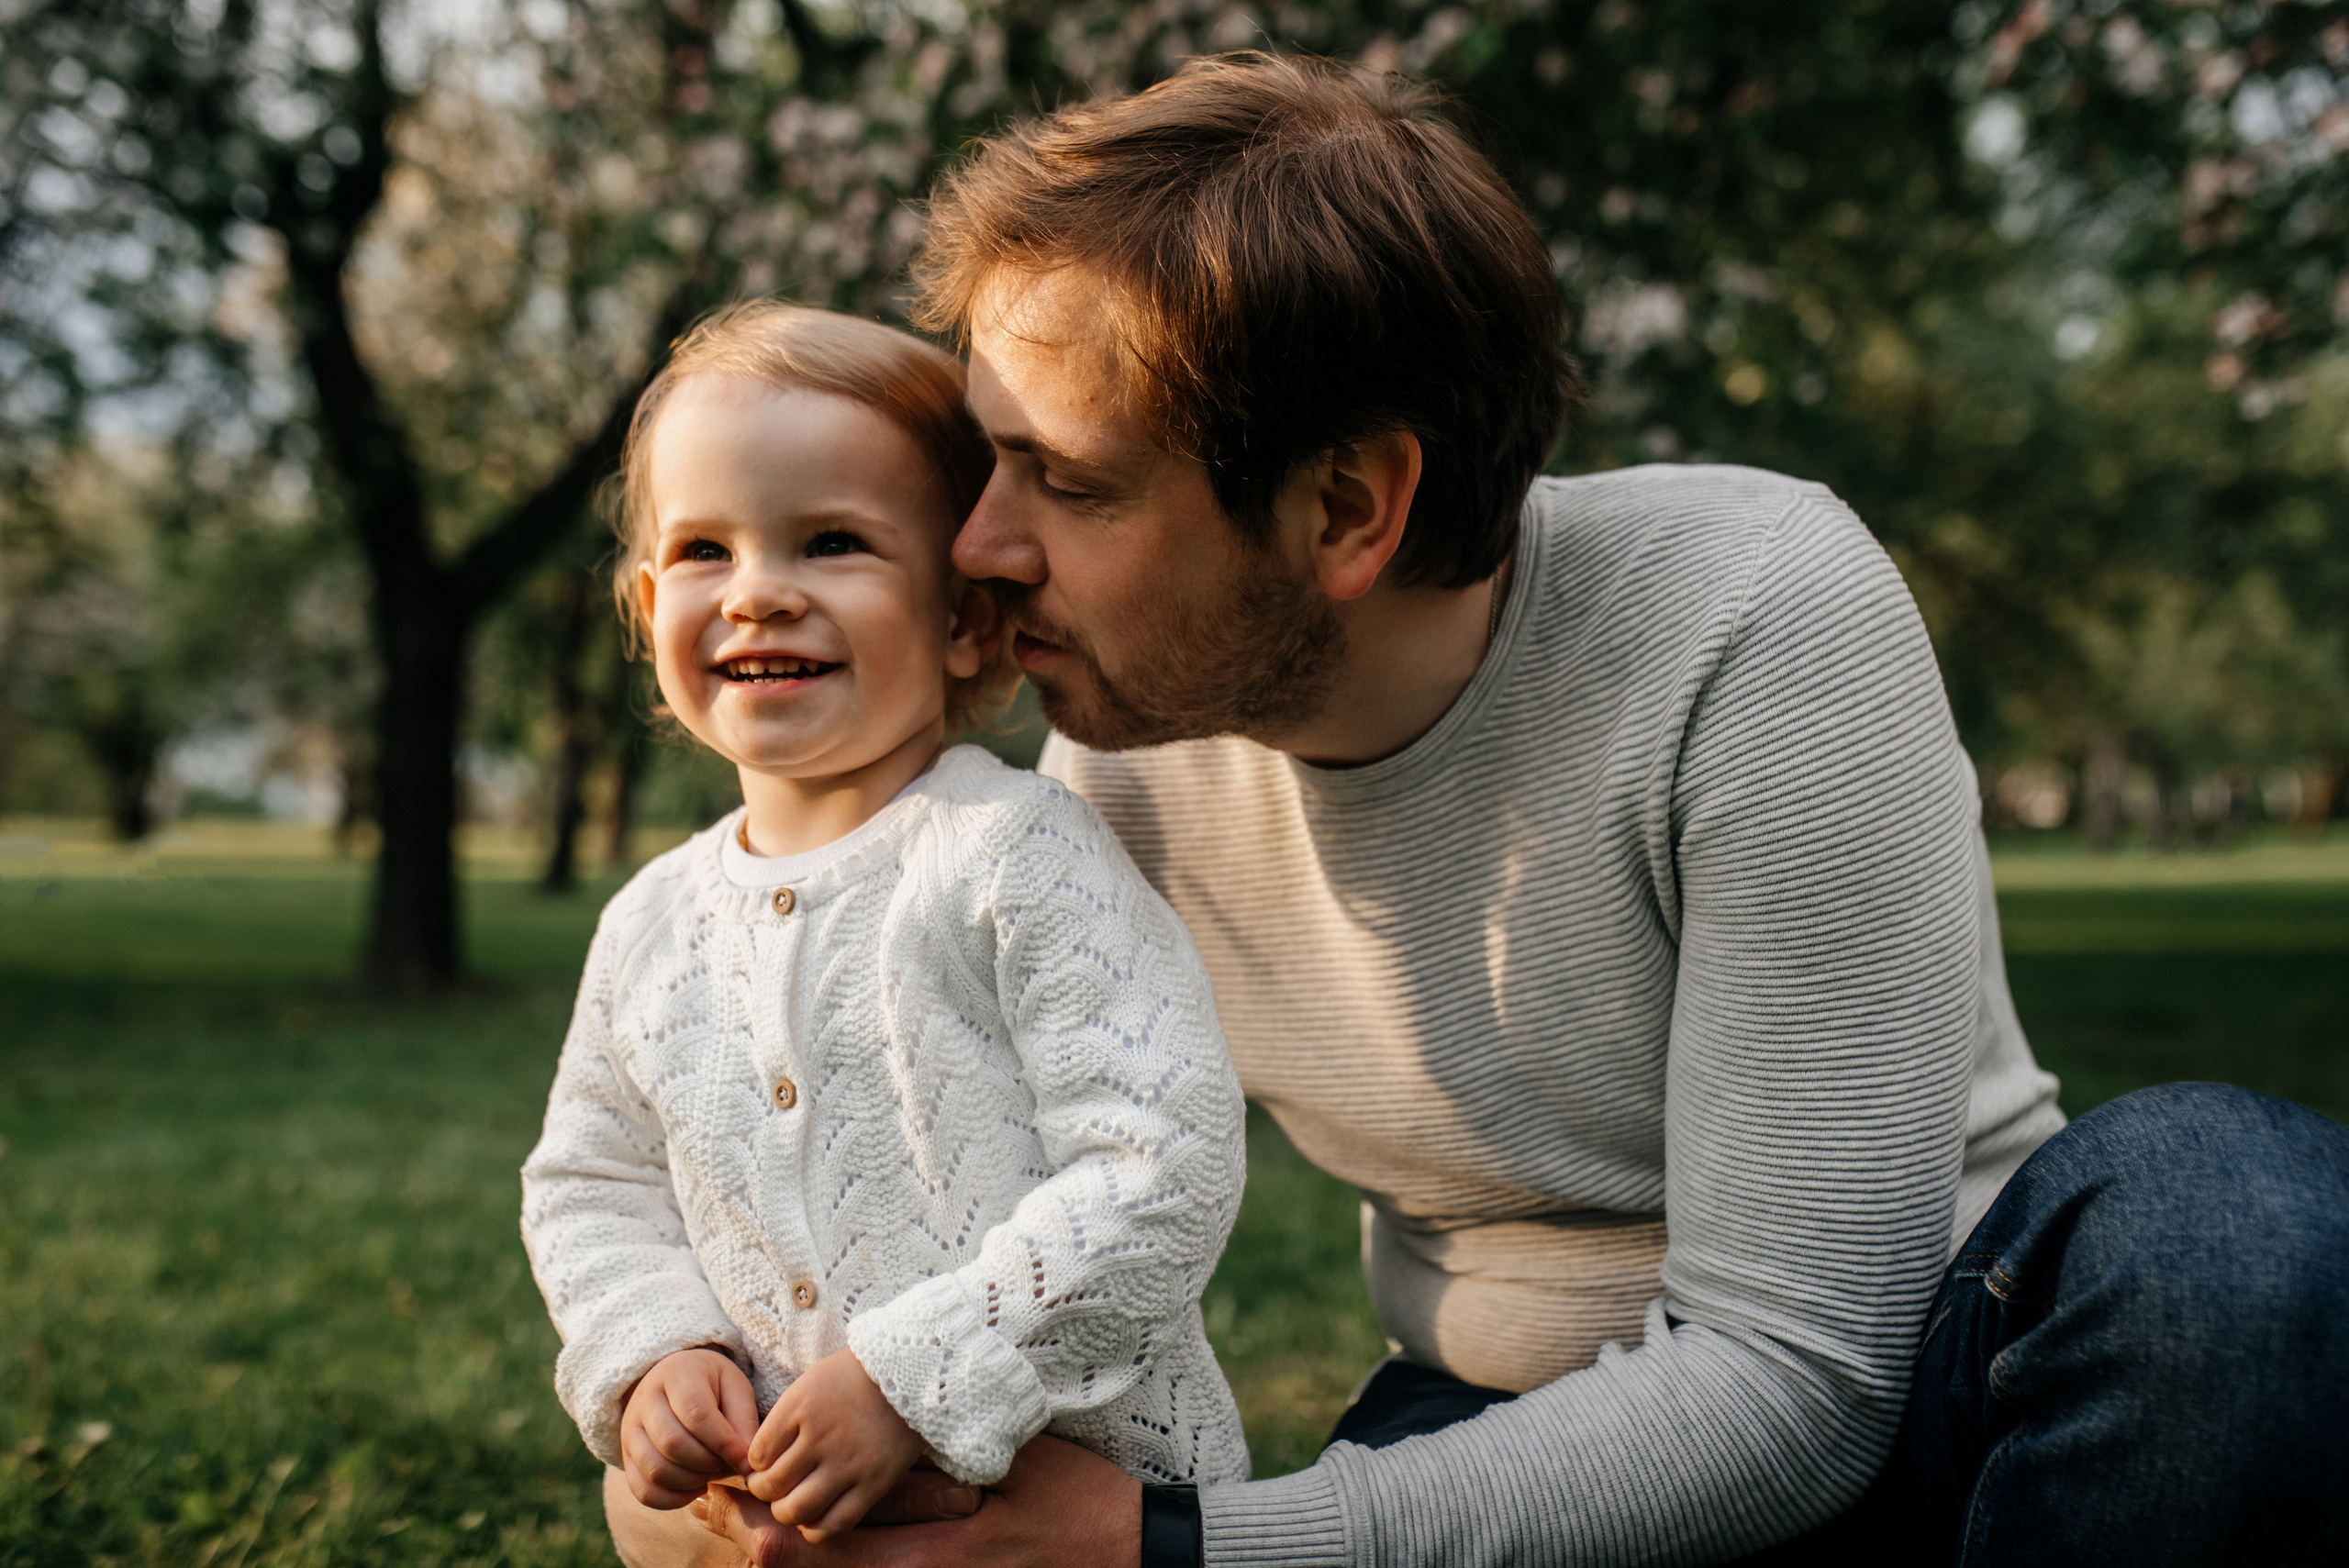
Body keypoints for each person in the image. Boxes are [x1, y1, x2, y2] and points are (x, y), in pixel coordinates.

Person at [680, 54, 2349, 1568]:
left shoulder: (1754, 612)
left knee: (2234, 1216)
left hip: (1934, 1397)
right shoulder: (1109, 767)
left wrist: (1182, 1552)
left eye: (1077, 482)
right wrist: (707, 1430)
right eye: (989, 461)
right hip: (1497, 1427)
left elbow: (1799, 1368)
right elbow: (966, 1235)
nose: (978, 544)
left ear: (1348, 506)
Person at [517, 303, 1252, 1568]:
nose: (758, 593)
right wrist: (659, 1349)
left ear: (965, 616)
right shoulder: (651, 922)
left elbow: (1161, 1163)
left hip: (1051, 1507)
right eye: (704, 549)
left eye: (832, 542)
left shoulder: (1017, 853)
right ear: (646, 610)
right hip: (777, 1509)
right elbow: (594, 1179)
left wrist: (915, 1376)